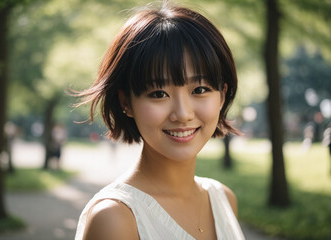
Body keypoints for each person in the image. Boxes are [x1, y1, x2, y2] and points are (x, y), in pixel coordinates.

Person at [74, 1, 244, 239]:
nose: (183, 114)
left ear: (222, 95)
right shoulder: (116, 219)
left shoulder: (223, 199)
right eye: (158, 94)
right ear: (126, 102)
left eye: (200, 89)